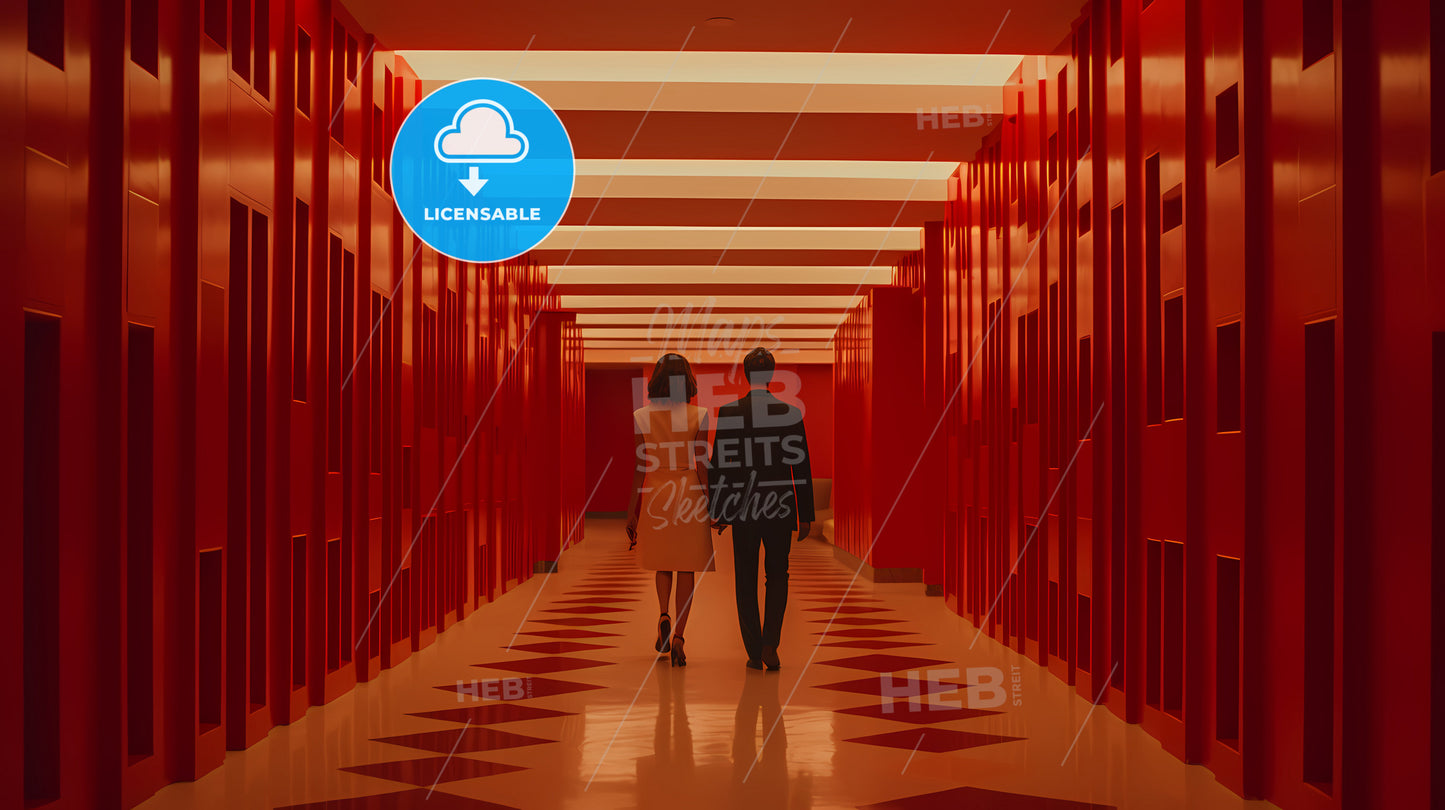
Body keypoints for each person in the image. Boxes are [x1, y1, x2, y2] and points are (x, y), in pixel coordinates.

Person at [709, 347, 814, 671]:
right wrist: (805, 513)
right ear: (771, 375)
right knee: (777, 575)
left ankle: (754, 650)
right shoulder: (790, 412)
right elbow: (801, 465)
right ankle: (771, 644)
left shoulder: (729, 412)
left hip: (743, 508)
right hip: (780, 507)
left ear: (745, 374)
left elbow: (720, 465)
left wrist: (720, 509)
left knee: (745, 577)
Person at [626, 353, 715, 667]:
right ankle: (678, 636)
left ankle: (662, 612)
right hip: (688, 489)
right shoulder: (699, 414)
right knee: (686, 566)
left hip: (657, 489)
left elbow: (639, 466)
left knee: (663, 562)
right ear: (687, 381)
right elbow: (702, 465)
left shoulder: (641, 416)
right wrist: (714, 504)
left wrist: (631, 511)